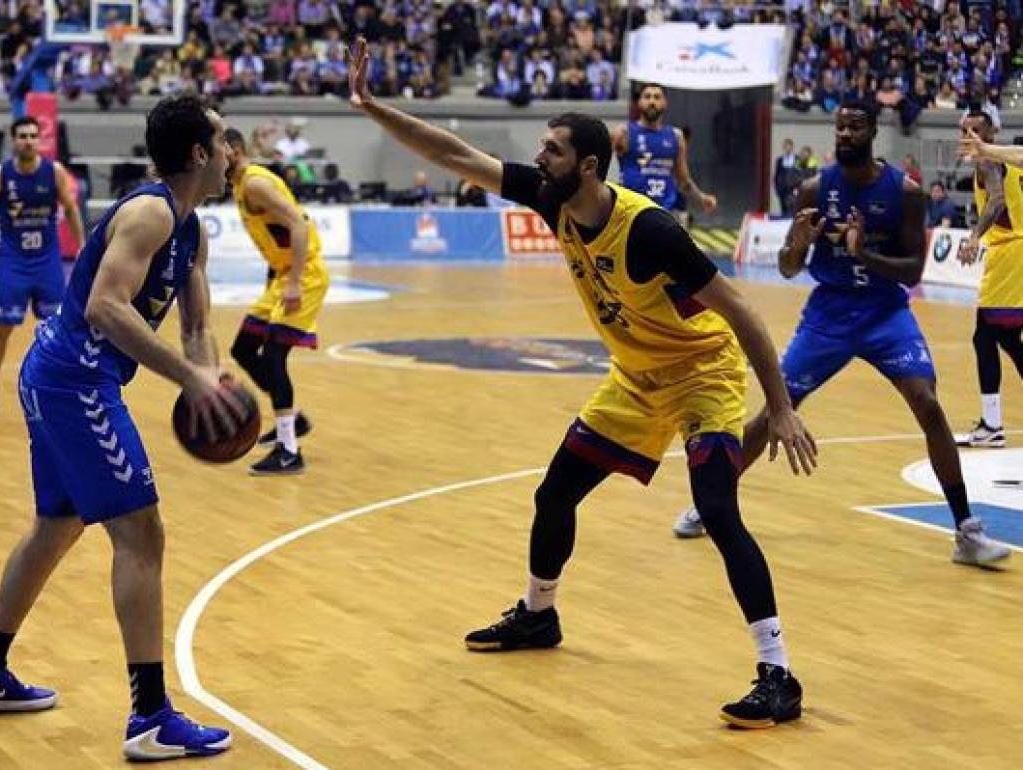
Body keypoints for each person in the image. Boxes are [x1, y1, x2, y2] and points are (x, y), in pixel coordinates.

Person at [348, 37, 814, 728]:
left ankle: (779, 673)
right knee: (555, 492)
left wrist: (779, 406)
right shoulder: (550, 198)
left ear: (588, 166)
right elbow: (455, 155)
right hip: (636, 378)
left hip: (701, 374)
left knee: (716, 508)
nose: (540, 158)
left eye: (553, 150)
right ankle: (539, 615)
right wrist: (371, 106)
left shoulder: (650, 232)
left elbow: (741, 309)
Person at [0, 92, 240, 760]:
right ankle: (150, 718)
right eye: (223, 140)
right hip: (74, 379)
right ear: (199, 152)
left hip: (56, 375)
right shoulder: (149, 213)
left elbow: (197, 326)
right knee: (141, 532)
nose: (231, 153)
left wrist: (210, 377)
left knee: (56, 526)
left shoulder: (190, 230)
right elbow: (107, 306)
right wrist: (187, 379)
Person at [671, 101, 1009, 568]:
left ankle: (966, 531)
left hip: (885, 312)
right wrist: (797, 246)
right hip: (828, 315)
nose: (845, 133)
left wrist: (864, 255)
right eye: (840, 127)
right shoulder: (814, 189)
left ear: (872, 132)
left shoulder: (906, 192)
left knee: (928, 403)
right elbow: (788, 268)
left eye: (855, 127)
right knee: (776, 412)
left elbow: (913, 271)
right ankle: (711, 504)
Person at [223, 127, 330, 475]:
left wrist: (295, 282)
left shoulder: (254, 183)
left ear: (234, 150)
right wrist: (276, 279)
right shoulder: (240, 184)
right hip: (283, 275)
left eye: (216, 150)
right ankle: (293, 419)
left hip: (305, 275)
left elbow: (298, 225)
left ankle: (288, 450)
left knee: (273, 355)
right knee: (243, 349)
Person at [0, 116, 85, 416]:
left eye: (33, 136)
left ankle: (64, 390)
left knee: (59, 329)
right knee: (2, 327)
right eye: (23, 136)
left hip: (47, 262)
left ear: (39, 140)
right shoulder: (0, 174)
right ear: (13, 140)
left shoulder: (53, 172)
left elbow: (71, 209)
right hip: (14, 262)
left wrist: (82, 246)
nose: (28, 141)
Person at [952, 112, 1023, 448]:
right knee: (1006, 338)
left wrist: (974, 236)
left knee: (984, 336)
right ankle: (991, 423)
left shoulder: (988, 162)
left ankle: (992, 425)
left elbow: (996, 200)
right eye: (964, 129)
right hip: (1016, 254)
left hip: (1010, 253)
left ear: (991, 131)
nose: (969, 134)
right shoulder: (1010, 160)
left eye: (976, 129)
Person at [613, 83, 717, 226]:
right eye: (647, 97)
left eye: (657, 97)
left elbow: (683, 181)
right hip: (631, 215)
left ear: (665, 103)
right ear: (639, 102)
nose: (652, 101)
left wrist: (701, 198)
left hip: (664, 215)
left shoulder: (676, 136)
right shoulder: (624, 133)